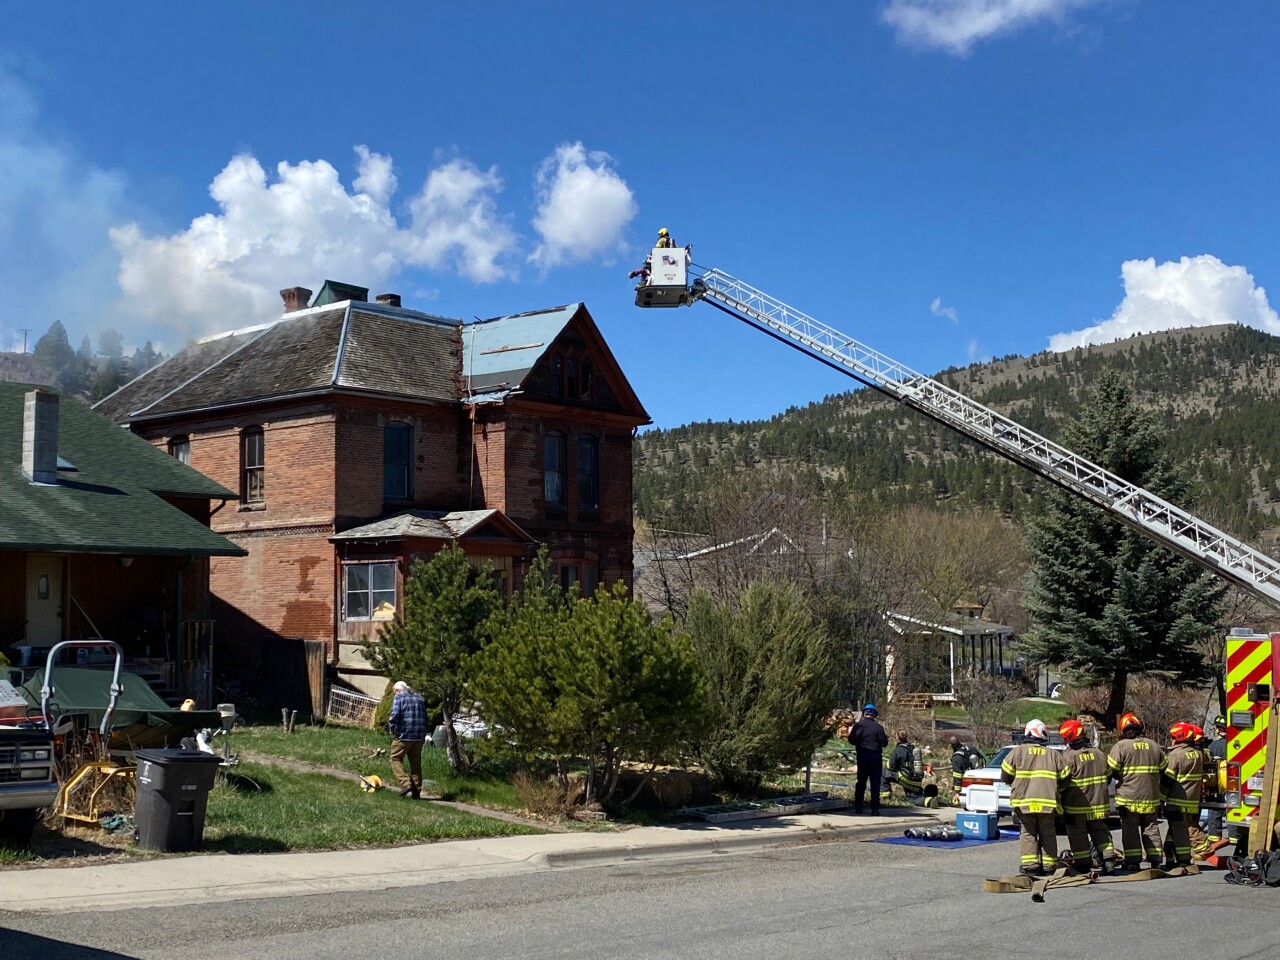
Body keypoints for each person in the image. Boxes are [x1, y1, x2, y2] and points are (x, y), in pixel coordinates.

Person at [1001, 719, 1067, 876]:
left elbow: (1005, 775)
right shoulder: (1053, 754)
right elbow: (1066, 778)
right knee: (1048, 832)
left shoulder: (1017, 752)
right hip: (1048, 802)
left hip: (1024, 802)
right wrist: (1058, 789)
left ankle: (1031, 866)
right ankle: (1049, 867)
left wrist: (1017, 784)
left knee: (1028, 832)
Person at [1107, 711, 1167, 869]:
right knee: (1151, 827)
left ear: (1124, 731)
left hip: (1128, 798)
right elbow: (1163, 768)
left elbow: (1111, 769)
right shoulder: (1154, 746)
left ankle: (1133, 862)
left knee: (1130, 829)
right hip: (1151, 797)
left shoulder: (1121, 746)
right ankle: (1156, 860)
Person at [1059, 719, 1117, 872]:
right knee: (1100, 831)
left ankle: (1083, 863)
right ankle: (1109, 859)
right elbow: (1109, 776)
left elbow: (1061, 783)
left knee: (1078, 834)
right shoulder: (1099, 754)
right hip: (1099, 805)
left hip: (1076, 806)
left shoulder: (1067, 758)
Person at [1162, 722, 1206, 867]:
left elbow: (1167, 780)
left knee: (1180, 830)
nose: (1171, 740)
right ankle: (1169, 853)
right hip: (1192, 802)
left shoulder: (1176, 755)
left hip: (1177, 801)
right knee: (1176, 828)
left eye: (1173, 737)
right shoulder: (1199, 754)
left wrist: (1161, 799)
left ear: (1179, 737)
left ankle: (1183, 859)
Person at [388, 680, 427, 799]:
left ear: (398, 690)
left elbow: (394, 715)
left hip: (404, 735)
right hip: (419, 736)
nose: (395, 694)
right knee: (415, 764)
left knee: (395, 758)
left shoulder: (399, 698)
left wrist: (392, 729)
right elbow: (425, 716)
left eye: (395, 692)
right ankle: (417, 791)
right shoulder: (419, 698)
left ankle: (406, 783)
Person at [848, 703, 889, 815]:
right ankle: (875, 808)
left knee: (861, 781)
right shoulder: (879, 728)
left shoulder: (858, 726)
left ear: (864, 713)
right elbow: (884, 743)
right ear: (874, 714)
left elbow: (851, 740)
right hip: (875, 757)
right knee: (875, 782)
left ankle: (858, 807)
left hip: (862, 756)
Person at [888, 731, 937, 807]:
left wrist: (888, 764)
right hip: (917, 778)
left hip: (907, 778)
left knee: (883, 773)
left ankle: (884, 796)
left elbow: (891, 767)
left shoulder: (898, 750)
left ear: (897, 738)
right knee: (916, 794)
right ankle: (929, 799)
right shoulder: (913, 748)